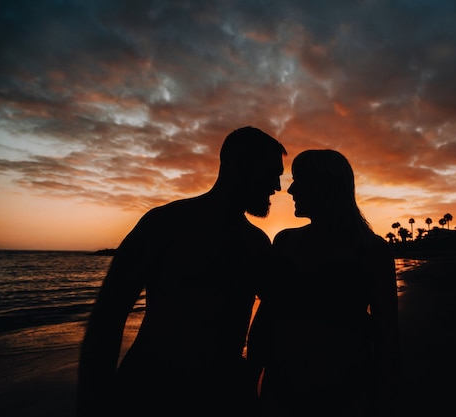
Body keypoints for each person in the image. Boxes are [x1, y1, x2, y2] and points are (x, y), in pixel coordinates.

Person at [76, 126, 287, 417]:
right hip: (151, 389)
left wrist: (251, 376)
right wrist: (92, 399)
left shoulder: (257, 243)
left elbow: (278, 312)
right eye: (271, 173)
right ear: (241, 165)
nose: (276, 186)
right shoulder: (165, 224)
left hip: (223, 395)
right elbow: (109, 314)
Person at [247, 149, 400, 417]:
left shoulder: (372, 250)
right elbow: (266, 317)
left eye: (300, 179)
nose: (291, 190)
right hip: (280, 390)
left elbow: (387, 335)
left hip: (346, 394)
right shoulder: (284, 241)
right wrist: (250, 379)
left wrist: (383, 401)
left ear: (327, 184)